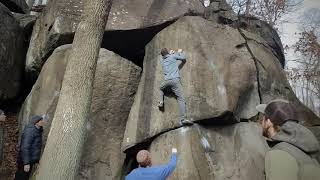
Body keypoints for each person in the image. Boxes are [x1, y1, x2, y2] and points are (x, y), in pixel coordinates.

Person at [256, 99, 320, 180]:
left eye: (263, 118)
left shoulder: (280, 153)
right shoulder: (306, 153)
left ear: (269, 122)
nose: (261, 122)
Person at [158, 48, 193, 126]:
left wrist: (170, 54)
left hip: (167, 81)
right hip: (175, 81)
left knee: (161, 88)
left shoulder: (162, 61)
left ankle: (161, 101)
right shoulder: (173, 56)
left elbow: (164, 57)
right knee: (181, 99)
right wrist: (180, 52)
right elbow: (183, 59)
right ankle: (183, 119)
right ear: (168, 53)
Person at [15, 115, 46, 180]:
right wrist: (26, 163)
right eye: (41, 120)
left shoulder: (37, 130)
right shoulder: (30, 131)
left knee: (25, 177)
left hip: (30, 160)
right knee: (21, 177)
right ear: (36, 122)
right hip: (24, 160)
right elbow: (25, 147)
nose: (43, 121)